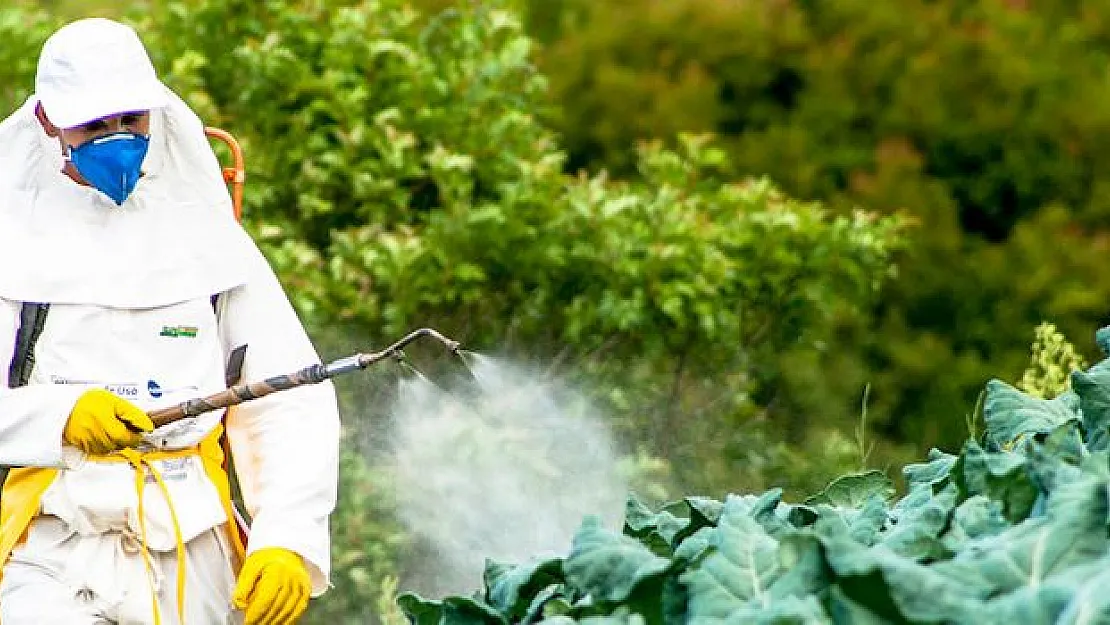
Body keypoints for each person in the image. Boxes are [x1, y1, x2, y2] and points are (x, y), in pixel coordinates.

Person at [0, 17, 341, 625]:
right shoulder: (11, 230)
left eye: (131, 120)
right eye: (95, 125)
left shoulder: (202, 232)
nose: (118, 137)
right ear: (49, 122)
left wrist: (287, 537)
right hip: (55, 547)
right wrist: (59, 417)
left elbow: (290, 394)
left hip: (194, 546)